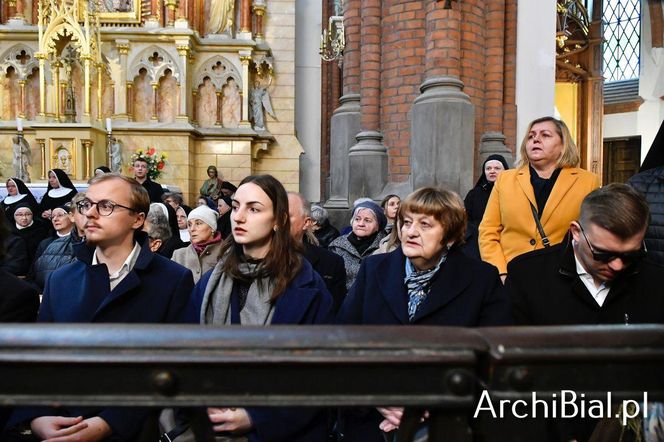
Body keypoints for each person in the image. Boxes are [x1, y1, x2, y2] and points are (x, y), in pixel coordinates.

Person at [11, 173, 194, 441]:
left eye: (106, 206)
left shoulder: (172, 279)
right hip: (64, 423)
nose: (91, 215)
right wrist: (37, 416)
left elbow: (173, 368)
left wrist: (110, 422)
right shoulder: (60, 280)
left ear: (137, 219)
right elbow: (41, 361)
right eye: (86, 205)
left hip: (134, 428)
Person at [337, 187, 511, 441]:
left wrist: (438, 403)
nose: (411, 231)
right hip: (374, 422)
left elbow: (496, 358)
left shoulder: (481, 279)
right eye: (406, 222)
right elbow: (343, 341)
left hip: (449, 423)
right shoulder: (374, 269)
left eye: (425, 225)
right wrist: (373, 396)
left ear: (450, 235)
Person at [506, 183, 664, 442]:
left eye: (631, 256)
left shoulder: (656, 281)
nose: (616, 265)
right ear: (576, 232)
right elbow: (515, 375)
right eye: (603, 254)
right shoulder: (528, 277)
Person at [187, 174, 332, 441]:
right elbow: (185, 354)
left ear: (278, 221)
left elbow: (318, 377)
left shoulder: (308, 289)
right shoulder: (210, 283)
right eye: (236, 205)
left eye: (254, 209)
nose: (238, 217)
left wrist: (255, 416)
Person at [479, 117, 600, 279]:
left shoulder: (587, 181)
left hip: (562, 276)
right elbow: (488, 231)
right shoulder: (505, 179)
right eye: (531, 136)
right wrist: (500, 271)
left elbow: (592, 235)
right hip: (513, 274)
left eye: (545, 135)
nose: (535, 139)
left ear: (563, 144)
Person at [288, 192, 347, 313]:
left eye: (285, 215)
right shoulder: (254, 258)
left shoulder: (331, 263)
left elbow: (334, 312)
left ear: (306, 223)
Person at [31, 195, 86, 290]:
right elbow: (36, 275)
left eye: (60, 215)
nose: (55, 219)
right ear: (72, 216)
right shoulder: (48, 245)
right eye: (52, 217)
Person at [329, 200, 386, 290]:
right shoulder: (337, 246)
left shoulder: (386, 246)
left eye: (367, 220)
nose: (361, 224)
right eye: (357, 219)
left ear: (378, 226)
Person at [172, 206, 222, 283]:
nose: (192, 229)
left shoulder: (226, 253)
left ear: (212, 228)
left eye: (198, 223)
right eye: (189, 224)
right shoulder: (178, 255)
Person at [464, 154, 509, 225]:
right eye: (488, 168)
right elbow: (465, 220)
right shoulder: (473, 194)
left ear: (505, 171)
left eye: (497, 168)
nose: (492, 171)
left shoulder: (512, 193)